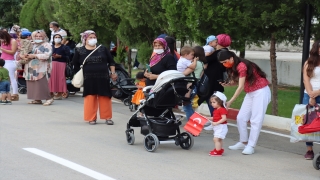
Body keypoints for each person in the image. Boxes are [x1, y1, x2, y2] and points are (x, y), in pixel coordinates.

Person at [218, 50, 271, 155]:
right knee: (241, 117)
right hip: (251, 92)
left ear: (231, 58)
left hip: (261, 92)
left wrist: (230, 102)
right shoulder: (234, 66)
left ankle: (251, 145)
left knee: (256, 120)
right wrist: (228, 84)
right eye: (222, 63)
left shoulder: (241, 66)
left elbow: (240, 86)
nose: (224, 64)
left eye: (225, 61)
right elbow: (239, 82)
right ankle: (243, 142)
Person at [73, 30, 117, 125]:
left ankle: (107, 117)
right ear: (85, 39)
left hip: (103, 77)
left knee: (105, 96)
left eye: (94, 37)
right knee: (90, 97)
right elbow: (75, 64)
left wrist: (113, 73)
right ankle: (91, 118)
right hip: (89, 78)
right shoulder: (80, 50)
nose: (93, 39)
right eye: (90, 38)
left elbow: (111, 62)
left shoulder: (102, 49)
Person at [198, 34, 231, 117]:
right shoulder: (227, 52)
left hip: (212, 79)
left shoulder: (218, 53)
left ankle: (216, 118)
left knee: (211, 99)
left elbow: (205, 59)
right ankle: (217, 118)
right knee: (215, 99)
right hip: (219, 78)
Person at [23, 30, 54, 106]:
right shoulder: (31, 44)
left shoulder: (46, 45)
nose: (38, 37)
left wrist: (35, 56)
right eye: (36, 36)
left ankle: (49, 98)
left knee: (41, 83)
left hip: (41, 67)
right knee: (33, 83)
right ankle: (37, 99)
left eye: (40, 36)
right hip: (30, 66)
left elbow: (47, 55)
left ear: (44, 37)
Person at [302, 40, 320, 160]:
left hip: (318, 92)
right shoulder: (309, 62)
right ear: (316, 49)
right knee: (308, 121)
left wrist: (317, 92)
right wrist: (311, 96)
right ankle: (309, 150)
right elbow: (306, 80)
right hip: (308, 95)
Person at [49, 33, 70, 100]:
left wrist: (60, 56)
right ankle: (51, 92)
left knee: (60, 78)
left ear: (61, 39)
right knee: (52, 78)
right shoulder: (50, 47)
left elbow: (68, 57)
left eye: (58, 37)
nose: (57, 38)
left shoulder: (65, 47)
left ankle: (60, 93)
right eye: (56, 37)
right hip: (52, 64)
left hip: (61, 64)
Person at [206, 91, 228, 156]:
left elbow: (224, 118)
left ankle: (217, 152)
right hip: (218, 126)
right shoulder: (216, 109)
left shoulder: (222, 109)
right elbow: (215, 117)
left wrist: (216, 123)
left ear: (220, 102)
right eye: (211, 102)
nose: (212, 104)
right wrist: (208, 118)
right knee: (219, 139)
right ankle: (218, 149)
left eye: (214, 102)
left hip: (221, 126)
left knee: (216, 139)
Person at [0, 30, 18, 101]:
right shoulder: (3, 41)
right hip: (2, 60)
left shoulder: (13, 41)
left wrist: (2, 49)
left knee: (11, 77)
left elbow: (13, 52)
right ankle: (4, 94)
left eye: (1, 38)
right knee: (2, 78)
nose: (1, 40)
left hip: (10, 61)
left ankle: (15, 94)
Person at [192, 46, 207, 111]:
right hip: (198, 81)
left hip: (193, 81)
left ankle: (192, 117)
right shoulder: (202, 63)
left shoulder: (196, 63)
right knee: (195, 101)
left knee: (191, 102)